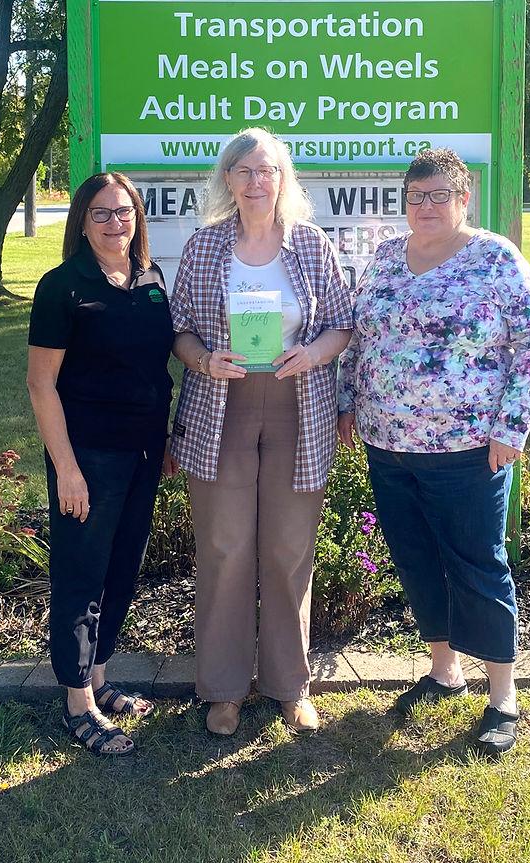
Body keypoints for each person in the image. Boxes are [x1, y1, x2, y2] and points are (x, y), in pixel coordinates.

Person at [338, 148, 530, 757]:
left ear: (464, 200)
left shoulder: (494, 258)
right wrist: (348, 401)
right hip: (387, 444)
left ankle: (502, 696)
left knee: (477, 565)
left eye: (439, 195)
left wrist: (512, 428)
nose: (426, 206)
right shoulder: (385, 256)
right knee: (414, 558)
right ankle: (444, 670)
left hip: (466, 448)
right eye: (416, 196)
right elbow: (360, 335)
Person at [170, 128, 352, 736]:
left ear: (282, 179)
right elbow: (181, 329)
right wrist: (203, 360)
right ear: (228, 180)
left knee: (287, 549)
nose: (256, 181)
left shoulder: (311, 246)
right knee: (223, 548)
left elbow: (339, 325)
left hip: (299, 408)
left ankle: (288, 685)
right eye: (244, 171)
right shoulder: (203, 248)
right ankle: (222, 688)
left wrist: (314, 355)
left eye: (266, 170)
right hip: (223, 406)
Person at [27, 172, 173, 756]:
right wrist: (66, 468)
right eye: (101, 214)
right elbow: (41, 385)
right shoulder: (62, 286)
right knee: (81, 574)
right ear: (81, 222)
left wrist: (161, 443)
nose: (116, 223)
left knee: (122, 569)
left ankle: (101, 677)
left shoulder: (151, 279)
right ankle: (77, 701)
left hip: (142, 454)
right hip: (88, 456)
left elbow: (156, 367)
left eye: (125, 212)